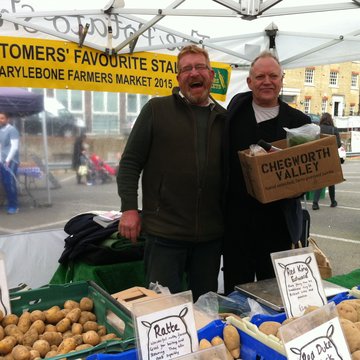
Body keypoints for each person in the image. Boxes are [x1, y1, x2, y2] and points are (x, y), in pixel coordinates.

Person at [117, 45, 226, 301]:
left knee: (206, 308)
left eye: (199, 67)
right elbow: (130, 162)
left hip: (210, 238)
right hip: (165, 234)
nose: (193, 73)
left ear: (210, 75)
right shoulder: (156, 110)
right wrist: (129, 208)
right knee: (162, 308)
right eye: (186, 69)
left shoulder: (224, 118)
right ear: (178, 78)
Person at [223, 51, 312, 295]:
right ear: (250, 82)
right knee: (235, 292)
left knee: (274, 293)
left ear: (281, 80)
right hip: (236, 224)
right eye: (260, 76)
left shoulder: (299, 122)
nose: (267, 81)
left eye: (273, 76)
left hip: (278, 226)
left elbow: (311, 173)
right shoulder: (231, 116)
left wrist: (291, 178)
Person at [312, 112, 341, 210]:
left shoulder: (317, 129)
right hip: (330, 158)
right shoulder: (334, 130)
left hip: (319, 158)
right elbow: (339, 144)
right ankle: (333, 201)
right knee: (331, 180)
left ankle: (315, 203)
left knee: (320, 180)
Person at [0, 111, 20, 214]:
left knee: (10, 183)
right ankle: (9, 203)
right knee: (4, 183)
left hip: (11, 161)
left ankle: (14, 206)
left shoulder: (12, 130)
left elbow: (14, 147)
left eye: (2, 118)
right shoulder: (1, 130)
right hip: (2, 161)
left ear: (7, 119)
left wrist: (7, 160)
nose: (0, 120)